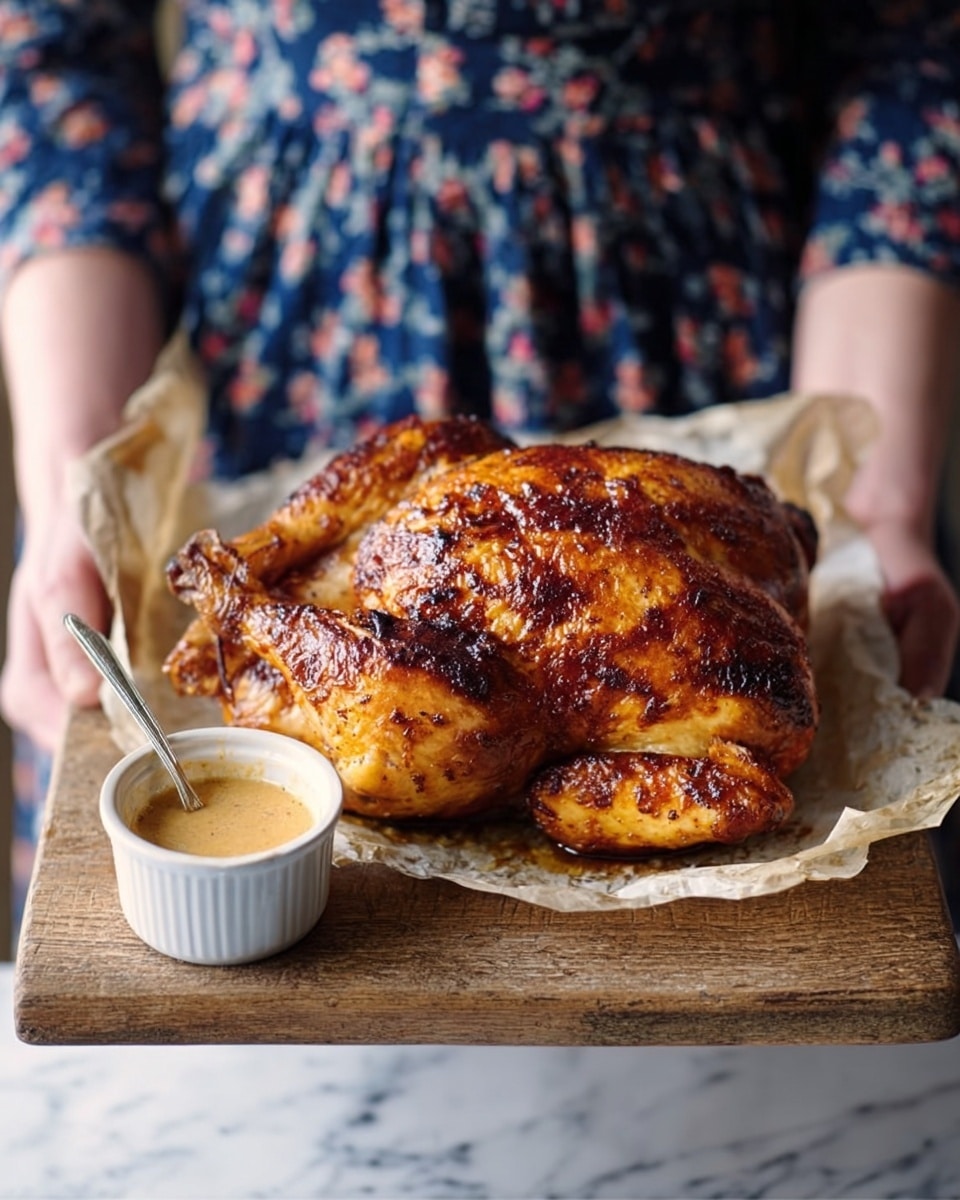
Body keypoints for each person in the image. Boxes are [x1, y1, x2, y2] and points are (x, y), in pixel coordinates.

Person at [2, 0, 960, 937]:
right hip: (284, 318)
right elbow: (51, 51)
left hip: (693, 281)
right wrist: (79, 492)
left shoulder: (750, 713)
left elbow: (914, 46)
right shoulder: (762, 685)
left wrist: (879, 483)